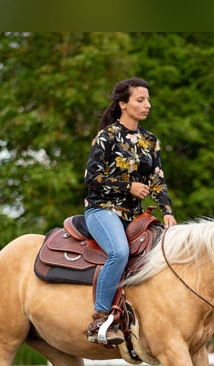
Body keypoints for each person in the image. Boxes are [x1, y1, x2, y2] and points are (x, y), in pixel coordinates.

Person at [83, 77, 177, 345]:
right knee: (119, 252)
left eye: (147, 99)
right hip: (102, 210)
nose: (147, 105)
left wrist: (167, 211)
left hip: (134, 216)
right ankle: (100, 318)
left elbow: (157, 179)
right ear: (123, 104)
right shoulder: (106, 137)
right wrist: (129, 187)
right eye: (140, 100)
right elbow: (92, 179)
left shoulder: (150, 140)